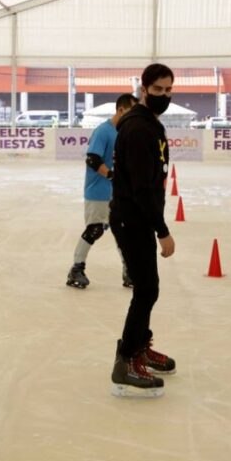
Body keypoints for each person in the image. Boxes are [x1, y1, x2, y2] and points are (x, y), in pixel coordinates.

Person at [109, 64, 178, 398]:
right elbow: (141, 188)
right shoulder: (138, 129)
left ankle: (140, 348)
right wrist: (162, 230)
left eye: (168, 90)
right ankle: (125, 362)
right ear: (144, 87)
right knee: (146, 289)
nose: (164, 95)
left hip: (139, 218)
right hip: (130, 218)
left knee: (149, 287)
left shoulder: (151, 124)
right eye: (158, 90)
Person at [66, 93, 136, 289]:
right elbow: (93, 160)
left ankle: (129, 271)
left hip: (119, 194)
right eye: (131, 111)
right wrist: (113, 176)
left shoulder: (125, 132)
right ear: (121, 110)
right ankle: (76, 268)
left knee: (123, 232)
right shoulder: (103, 131)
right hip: (98, 191)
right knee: (94, 230)